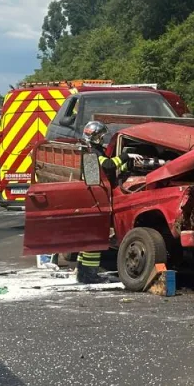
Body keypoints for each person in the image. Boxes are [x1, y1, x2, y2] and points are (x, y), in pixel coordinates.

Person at [76, 121, 142, 284]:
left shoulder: (89, 149)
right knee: (96, 237)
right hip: (96, 199)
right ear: (94, 136)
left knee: (88, 239)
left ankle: (83, 273)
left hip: (92, 197)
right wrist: (127, 156)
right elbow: (108, 164)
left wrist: (126, 166)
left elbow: (107, 170)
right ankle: (89, 276)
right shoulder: (93, 152)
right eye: (100, 136)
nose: (102, 138)